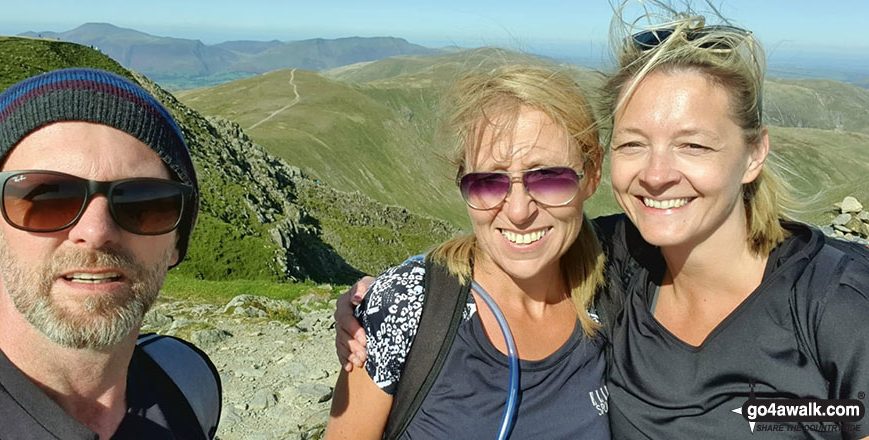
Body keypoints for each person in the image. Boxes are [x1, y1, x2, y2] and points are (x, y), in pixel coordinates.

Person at [335, 5, 869, 439]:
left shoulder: (836, 305)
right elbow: (516, 240)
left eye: (693, 144)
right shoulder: (618, 265)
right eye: (635, 144)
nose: (657, 175)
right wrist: (384, 295)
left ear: (754, 154)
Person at [326, 65, 610, 439]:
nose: (519, 211)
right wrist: (377, 299)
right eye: (489, 182)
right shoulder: (406, 306)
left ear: (591, 175)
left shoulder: (618, 283)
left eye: (549, 177)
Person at [0, 68, 221, 440]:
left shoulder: (188, 381)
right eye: (47, 198)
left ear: (175, 243)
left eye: (143, 202)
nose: (96, 232)